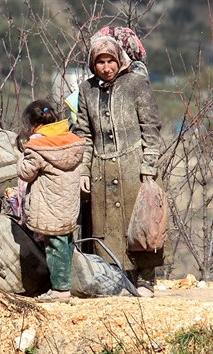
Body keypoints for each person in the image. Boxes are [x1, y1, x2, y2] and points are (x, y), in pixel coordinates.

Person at [73, 36, 163, 298]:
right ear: (93, 64)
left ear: (119, 59)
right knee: (105, 228)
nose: (106, 66)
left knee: (141, 226)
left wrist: (149, 166)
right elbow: (84, 134)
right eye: (100, 61)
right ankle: (114, 281)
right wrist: (84, 170)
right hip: (101, 170)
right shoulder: (86, 90)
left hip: (133, 168)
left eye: (110, 60)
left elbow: (150, 127)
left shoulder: (136, 84)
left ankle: (145, 281)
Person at [16, 100, 85, 302]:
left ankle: (60, 290)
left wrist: (20, 157)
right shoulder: (70, 139)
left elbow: (26, 173)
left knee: (53, 245)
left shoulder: (37, 145)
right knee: (65, 242)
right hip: (68, 202)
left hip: (49, 203)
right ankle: (67, 283)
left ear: (31, 123)